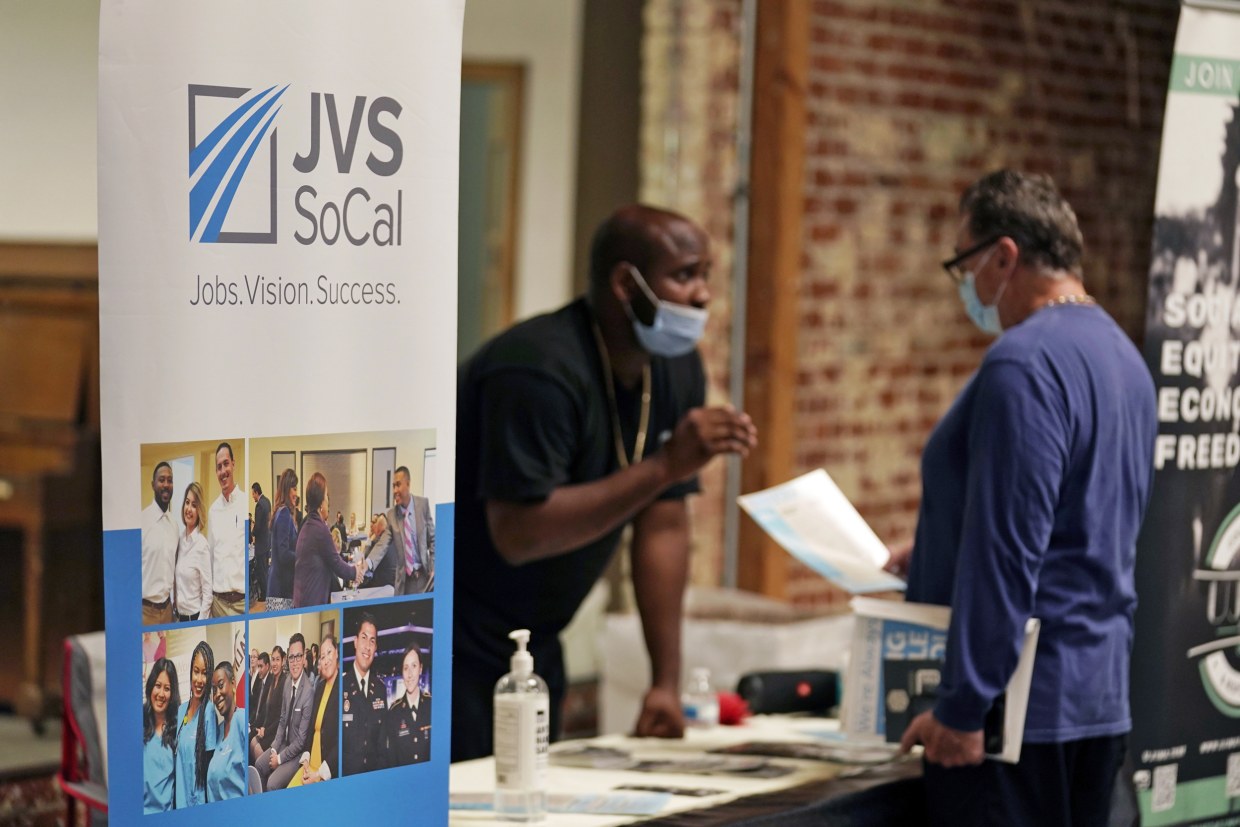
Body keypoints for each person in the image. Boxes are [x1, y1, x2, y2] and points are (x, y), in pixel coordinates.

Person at [896, 171, 1157, 827]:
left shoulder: (1022, 362)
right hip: (1098, 696)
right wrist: (938, 545)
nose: (966, 286)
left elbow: (1007, 551)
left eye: (965, 265)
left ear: (1003, 257)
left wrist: (963, 707)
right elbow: (1086, 524)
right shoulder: (1124, 357)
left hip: (1016, 719)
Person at [452, 204, 758, 761]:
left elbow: (664, 524)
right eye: (684, 275)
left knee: (532, 792)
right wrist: (665, 465)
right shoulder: (537, 368)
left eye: (706, 275)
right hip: (453, 638)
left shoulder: (677, 368)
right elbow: (519, 534)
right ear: (626, 284)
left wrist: (664, 681)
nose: (703, 295)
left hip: (539, 638)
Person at [293, 473, 363, 608]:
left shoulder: (308, 524)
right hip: (312, 601)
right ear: (321, 502)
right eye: (326, 496)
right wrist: (355, 572)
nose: (328, 501)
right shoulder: (320, 529)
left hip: (302, 598)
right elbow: (336, 564)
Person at [253, 634, 313, 790]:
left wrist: (279, 759)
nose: (294, 662)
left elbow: (301, 741)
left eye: (298, 656)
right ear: (288, 659)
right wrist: (274, 748)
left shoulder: (308, 691)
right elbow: (282, 720)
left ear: (304, 657)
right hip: (283, 744)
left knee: (272, 783)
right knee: (259, 764)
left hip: (296, 752)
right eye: (291, 657)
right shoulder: (287, 683)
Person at [362, 466, 434, 594]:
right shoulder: (392, 515)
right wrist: (367, 563)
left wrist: (434, 566)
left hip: (425, 579)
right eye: (393, 486)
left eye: (398, 485)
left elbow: (433, 540)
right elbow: (382, 545)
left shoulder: (423, 505)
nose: (395, 490)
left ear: (408, 484)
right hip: (404, 584)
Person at [288, 634, 340, 787]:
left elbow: (342, 743)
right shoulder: (320, 687)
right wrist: (306, 759)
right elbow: (311, 728)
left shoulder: (344, 688)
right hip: (310, 765)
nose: (326, 660)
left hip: (325, 770)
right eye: (322, 657)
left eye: (329, 653)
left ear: (337, 653)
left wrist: (318, 774)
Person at [174, 641, 218, 808]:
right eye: (196, 671)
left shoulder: (208, 711)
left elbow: (210, 770)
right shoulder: (181, 711)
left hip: (197, 804)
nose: (199, 680)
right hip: (179, 803)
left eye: (205, 673)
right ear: (190, 672)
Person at [342, 612, 386, 776]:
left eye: (372, 641)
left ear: (375, 648)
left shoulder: (380, 690)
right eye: (364, 638)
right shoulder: (341, 686)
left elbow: (383, 745)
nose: (367, 646)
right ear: (355, 642)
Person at [207, 442, 246, 616]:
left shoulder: (245, 503)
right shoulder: (213, 511)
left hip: (242, 605)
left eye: (226, 464)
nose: (223, 471)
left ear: (233, 464)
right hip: (219, 605)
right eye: (218, 467)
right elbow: (210, 559)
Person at [381, 644, 431, 768]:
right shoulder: (393, 713)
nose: (409, 674)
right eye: (405, 668)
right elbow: (391, 759)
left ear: (420, 669)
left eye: (414, 666)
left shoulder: (432, 705)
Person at [141, 461, 177, 625]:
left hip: (168, 610)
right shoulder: (141, 522)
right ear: (153, 485)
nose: (166, 484)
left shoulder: (174, 525)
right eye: (161, 480)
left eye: (170, 480)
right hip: (145, 612)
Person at [142, 657, 180, 814]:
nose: (161, 694)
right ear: (151, 686)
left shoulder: (178, 730)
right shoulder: (138, 722)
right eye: (158, 686)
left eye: (167, 688)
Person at [206, 662, 246, 802]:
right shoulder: (217, 731)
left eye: (221, 685)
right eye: (213, 690)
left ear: (233, 683)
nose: (217, 694)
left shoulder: (241, 719)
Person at [173, 482, 212, 622]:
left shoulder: (202, 546)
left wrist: (199, 623)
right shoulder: (178, 540)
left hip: (194, 619)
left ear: (199, 510)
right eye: (187, 502)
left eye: (194, 505)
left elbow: (208, 594)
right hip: (178, 618)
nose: (189, 509)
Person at [266, 469, 299, 612]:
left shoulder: (280, 512)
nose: (296, 494)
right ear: (287, 489)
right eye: (294, 488)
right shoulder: (284, 513)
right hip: (281, 589)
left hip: (278, 586)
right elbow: (284, 554)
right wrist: (301, 556)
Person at [250, 646, 285, 757]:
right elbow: (266, 710)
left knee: (256, 748)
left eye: (277, 659)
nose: (275, 663)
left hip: (276, 731)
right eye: (273, 659)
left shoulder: (284, 682)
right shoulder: (272, 680)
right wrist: (262, 728)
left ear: (283, 661)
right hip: (267, 728)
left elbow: (281, 717)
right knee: (252, 742)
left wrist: (265, 730)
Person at [252, 482, 272, 601]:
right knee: (265, 570)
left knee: (261, 570)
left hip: (260, 544)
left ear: (256, 492)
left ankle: (263, 595)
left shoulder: (259, 505)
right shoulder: (267, 501)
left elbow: (258, 526)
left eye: (253, 494)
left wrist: (252, 533)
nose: (252, 497)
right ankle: (267, 592)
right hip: (267, 542)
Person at [366, 513, 393, 589]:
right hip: (392, 585)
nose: (372, 525)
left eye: (374, 522)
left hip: (379, 585)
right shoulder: (394, 540)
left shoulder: (377, 541)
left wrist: (369, 538)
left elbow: (366, 556)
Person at [250, 651, 270, 739]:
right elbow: (256, 708)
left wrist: (254, 727)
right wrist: (250, 723)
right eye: (258, 666)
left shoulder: (271, 683)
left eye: (261, 666)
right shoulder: (260, 683)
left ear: (267, 666)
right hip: (255, 723)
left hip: (263, 728)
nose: (259, 670)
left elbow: (265, 712)